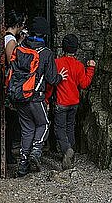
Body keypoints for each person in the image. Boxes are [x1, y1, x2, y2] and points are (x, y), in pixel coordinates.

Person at [8, 16, 67, 177]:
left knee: (27, 130)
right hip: (36, 97)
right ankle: (35, 151)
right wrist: (61, 77)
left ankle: (22, 166)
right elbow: (52, 79)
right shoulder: (46, 53)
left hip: (20, 96)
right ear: (45, 35)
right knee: (44, 124)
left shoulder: (20, 48)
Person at [46, 34, 96, 170]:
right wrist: (90, 69)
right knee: (70, 127)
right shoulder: (79, 66)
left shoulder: (57, 63)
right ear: (76, 49)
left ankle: (67, 149)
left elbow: (51, 84)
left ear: (63, 48)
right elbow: (84, 84)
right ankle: (70, 153)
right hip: (74, 103)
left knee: (59, 128)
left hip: (61, 102)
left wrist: (46, 99)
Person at [3, 10, 26, 164]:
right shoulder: (10, 40)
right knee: (11, 119)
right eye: (22, 24)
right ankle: (9, 154)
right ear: (17, 25)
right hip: (10, 83)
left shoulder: (8, 38)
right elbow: (12, 61)